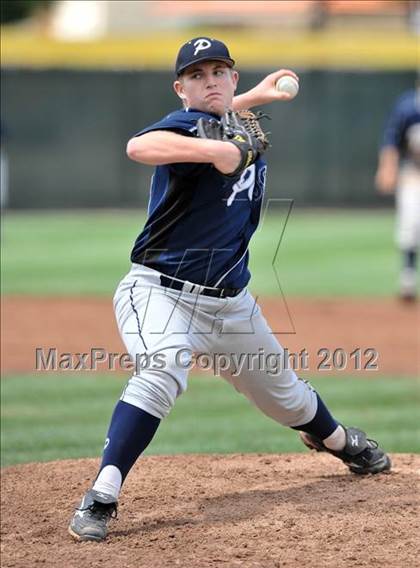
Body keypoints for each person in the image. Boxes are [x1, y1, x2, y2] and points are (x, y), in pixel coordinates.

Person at [69, 37, 391, 543]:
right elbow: (138, 146)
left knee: (287, 399)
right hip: (161, 291)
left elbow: (221, 114)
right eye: (197, 75)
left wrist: (257, 98)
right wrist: (215, 151)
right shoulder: (185, 128)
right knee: (162, 371)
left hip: (231, 304)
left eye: (219, 71)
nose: (210, 81)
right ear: (181, 89)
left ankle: (341, 441)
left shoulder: (236, 119)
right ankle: (102, 495)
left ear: (233, 79)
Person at [375, 84, 420, 301]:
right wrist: (387, 168)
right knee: (409, 224)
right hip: (414, 173)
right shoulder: (408, 107)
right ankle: (408, 277)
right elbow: (390, 141)